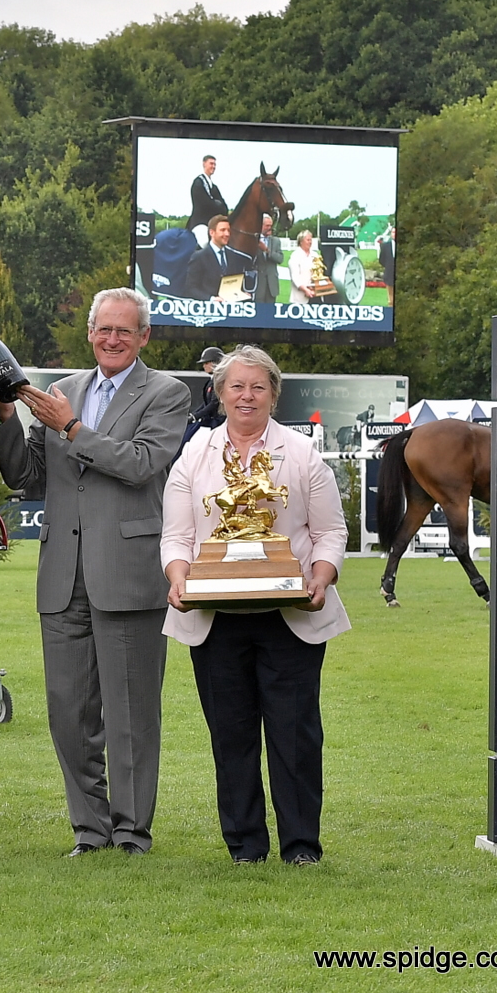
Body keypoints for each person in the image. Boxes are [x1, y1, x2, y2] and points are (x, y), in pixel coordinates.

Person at [0, 288, 190, 856]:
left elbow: (143, 466)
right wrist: (5, 414)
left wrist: (72, 429)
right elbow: (27, 478)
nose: (113, 339)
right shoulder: (62, 392)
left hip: (128, 575)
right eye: (104, 329)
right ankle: (89, 831)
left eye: (125, 331)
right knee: (69, 716)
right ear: (90, 333)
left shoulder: (167, 393)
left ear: (144, 337)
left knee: (129, 718)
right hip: (62, 577)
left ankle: (130, 833)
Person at [160, 345, 349, 865]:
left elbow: (331, 531)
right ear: (219, 394)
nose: (247, 396)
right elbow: (175, 537)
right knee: (231, 735)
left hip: (291, 618)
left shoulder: (303, 454)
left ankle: (301, 847)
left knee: (296, 737)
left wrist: (322, 576)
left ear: (273, 394)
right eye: (237, 386)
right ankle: (245, 846)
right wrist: (178, 578)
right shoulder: (194, 454)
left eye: (258, 387)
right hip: (214, 618)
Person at [184, 216, 253, 301]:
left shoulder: (233, 257)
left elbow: (234, 283)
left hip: (230, 309)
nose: (227, 234)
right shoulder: (199, 257)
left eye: (228, 230)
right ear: (212, 233)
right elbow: (191, 288)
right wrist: (211, 299)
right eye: (223, 230)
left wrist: (241, 294)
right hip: (209, 310)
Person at [186, 155, 229, 247]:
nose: (213, 166)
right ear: (204, 164)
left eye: (215, 164)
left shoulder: (214, 187)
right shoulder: (198, 183)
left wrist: (217, 204)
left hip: (213, 223)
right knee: (205, 243)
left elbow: (224, 207)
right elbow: (204, 204)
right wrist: (217, 204)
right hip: (200, 222)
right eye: (211, 164)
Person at [254, 214, 283, 303]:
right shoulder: (254, 240)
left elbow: (280, 259)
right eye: (267, 226)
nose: (269, 228)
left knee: (270, 313)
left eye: (271, 225)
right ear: (260, 225)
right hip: (258, 284)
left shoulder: (276, 241)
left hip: (271, 285)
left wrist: (267, 250)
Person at [287, 229, 317, 305]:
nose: (310, 242)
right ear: (301, 241)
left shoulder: (315, 255)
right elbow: (295, 277)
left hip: (315, 295)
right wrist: (305, 290)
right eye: (308, 240)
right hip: (299, 298)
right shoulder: (295, 256)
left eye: (311, 240)